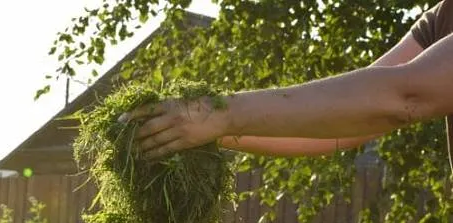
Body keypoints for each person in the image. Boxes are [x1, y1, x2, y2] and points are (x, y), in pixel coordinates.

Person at [121, 1, 453, 171]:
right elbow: (348, 119)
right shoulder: (443, 16)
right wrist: (201, 129)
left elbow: (406, 97)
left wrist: (219, 114)